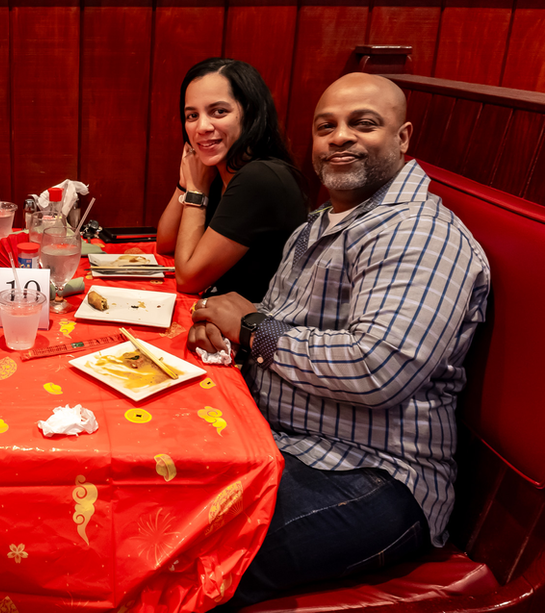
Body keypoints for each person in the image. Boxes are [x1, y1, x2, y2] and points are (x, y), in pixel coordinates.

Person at [187, 73, 491, 608]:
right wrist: (231, 329)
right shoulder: (317, 226)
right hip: (282, 443)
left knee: (191, 561)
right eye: (326, 126)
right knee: (149, 502)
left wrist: (254, 329)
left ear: (404, 137)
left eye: (363, 124)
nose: (340, 137)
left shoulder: (417, 234)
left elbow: (375, 369)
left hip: (376, 477)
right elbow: (283, 324)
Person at [156, 57, 307, 301]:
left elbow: (188, 280)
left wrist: (196, 189)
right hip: (220, 314)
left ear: (250, 114)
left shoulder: (260, 177)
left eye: (219, 111)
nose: (202, 127)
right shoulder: (219, 168)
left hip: (258, 326)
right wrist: (185, 181)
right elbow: (165, 244)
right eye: (192, 115)